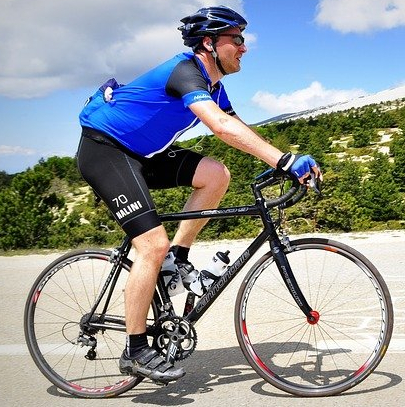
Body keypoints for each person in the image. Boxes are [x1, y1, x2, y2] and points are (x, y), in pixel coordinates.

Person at [76, 5, 322, 385]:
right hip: (105, 150)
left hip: (142, 155)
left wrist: (283, 162)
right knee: (150, 246)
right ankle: (136, 349)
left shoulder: (214, 86)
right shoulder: (185, 72)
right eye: (236, 39)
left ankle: (178, 258)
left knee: (215, 174)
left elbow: (239, 125)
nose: (244, 47)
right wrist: (285, 160)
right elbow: (220, 126)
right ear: (209, 43)